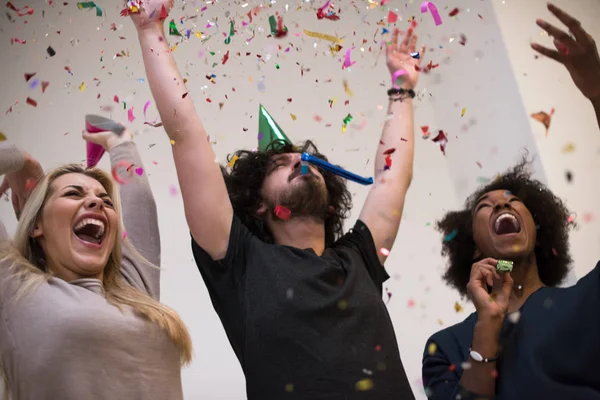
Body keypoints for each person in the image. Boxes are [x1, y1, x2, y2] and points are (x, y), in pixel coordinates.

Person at [130, 0, 424, 397]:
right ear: (258, 205)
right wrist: (150, 31)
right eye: (280, 165)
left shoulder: (360, 259)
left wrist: (402, 88)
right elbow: (185, 135)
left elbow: (393, 177)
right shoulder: (238, 261)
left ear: (331, 202)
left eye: (307, 162)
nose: (299, 162)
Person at [422, 4, 600, 399]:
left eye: (514, 201)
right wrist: (488, 323)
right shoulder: (446, 347)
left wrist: (597, 91)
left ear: (540, 231)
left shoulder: (589, 298)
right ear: (472, 245)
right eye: (486, 206)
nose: (503, 205)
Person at [0, 125, 192, 399]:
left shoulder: (135, 291)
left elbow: (140, 203)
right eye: (74, 194)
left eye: (105, 200)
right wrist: (22, 160)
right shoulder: (16, 291)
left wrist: (119, 140)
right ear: (36, 225)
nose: (96, 202)